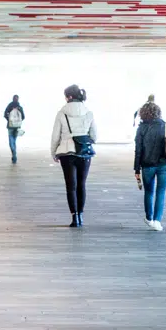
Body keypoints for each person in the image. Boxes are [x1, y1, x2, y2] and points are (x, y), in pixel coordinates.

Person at [49, 84, 97, 227]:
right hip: (84, 153)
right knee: (81, 184)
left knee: (71, 186)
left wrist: (54, 152)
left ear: (69, 97)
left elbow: (55, 136)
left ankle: (74, 217)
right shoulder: (89, 113)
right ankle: (81, 215)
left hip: (66, 152)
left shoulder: (61, 113)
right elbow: (95, 136)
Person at [134, 100, 166, 231]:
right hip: (164, 165)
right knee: (161, 191)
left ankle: (149, 218)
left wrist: (136, 169)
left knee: (149, 191)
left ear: (143, 113)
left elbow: (138, 150)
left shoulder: (141, 128)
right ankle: (157, 221)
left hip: (147, 165)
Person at [4, 95, 26, 164]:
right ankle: (14, 155)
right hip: (17, 127)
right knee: (14, 141)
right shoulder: (20, 107)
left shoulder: (9, 106)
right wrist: (18, 121)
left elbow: (5, 114)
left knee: (11, 142)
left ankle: (14, 154)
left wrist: (9, 120)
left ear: (12, 99)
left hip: (10, 126)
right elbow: (23, 117)